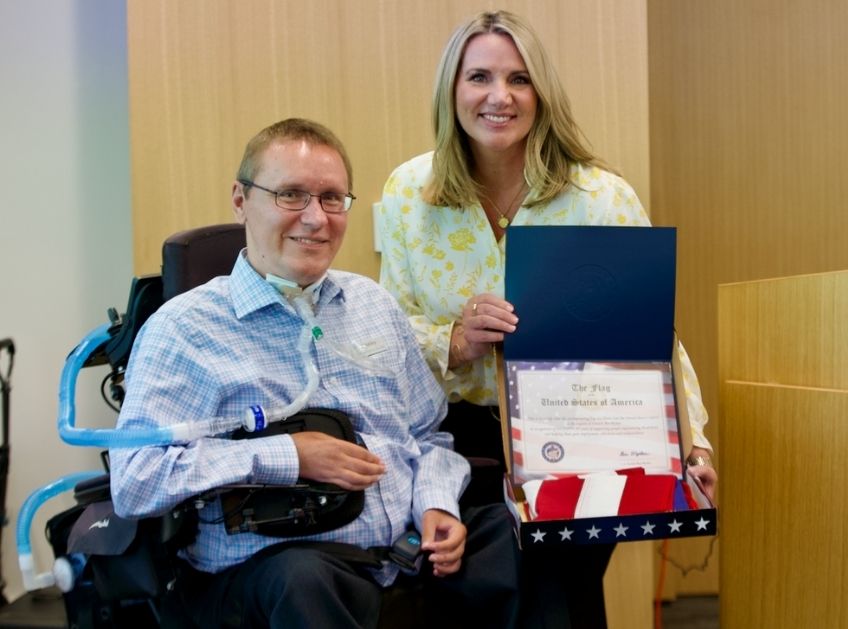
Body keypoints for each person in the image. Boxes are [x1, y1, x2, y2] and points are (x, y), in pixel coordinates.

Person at [377, 10, 718, 628]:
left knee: (559, 583)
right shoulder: (408, 193)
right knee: (496, 596)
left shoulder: (601, 197)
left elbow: (653, 338)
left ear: (543, 94)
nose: (499, 97)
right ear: (452, 90)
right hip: (460, 443)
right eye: (479, 76)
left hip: (589, 433)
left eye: (520, 79)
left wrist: (692, 448)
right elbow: (387, 330)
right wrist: (453, 341)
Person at [109, 118, 520, 629]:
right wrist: (289, 455)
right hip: (280, 567)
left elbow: (427, 434)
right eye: (291, 195)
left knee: (512, 533)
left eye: (331, 198)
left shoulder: (372, 304)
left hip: (400, 554)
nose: (315, 218)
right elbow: (136, 481)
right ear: (240, 200)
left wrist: (435, 507)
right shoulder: (184, 330)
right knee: (303, 580)